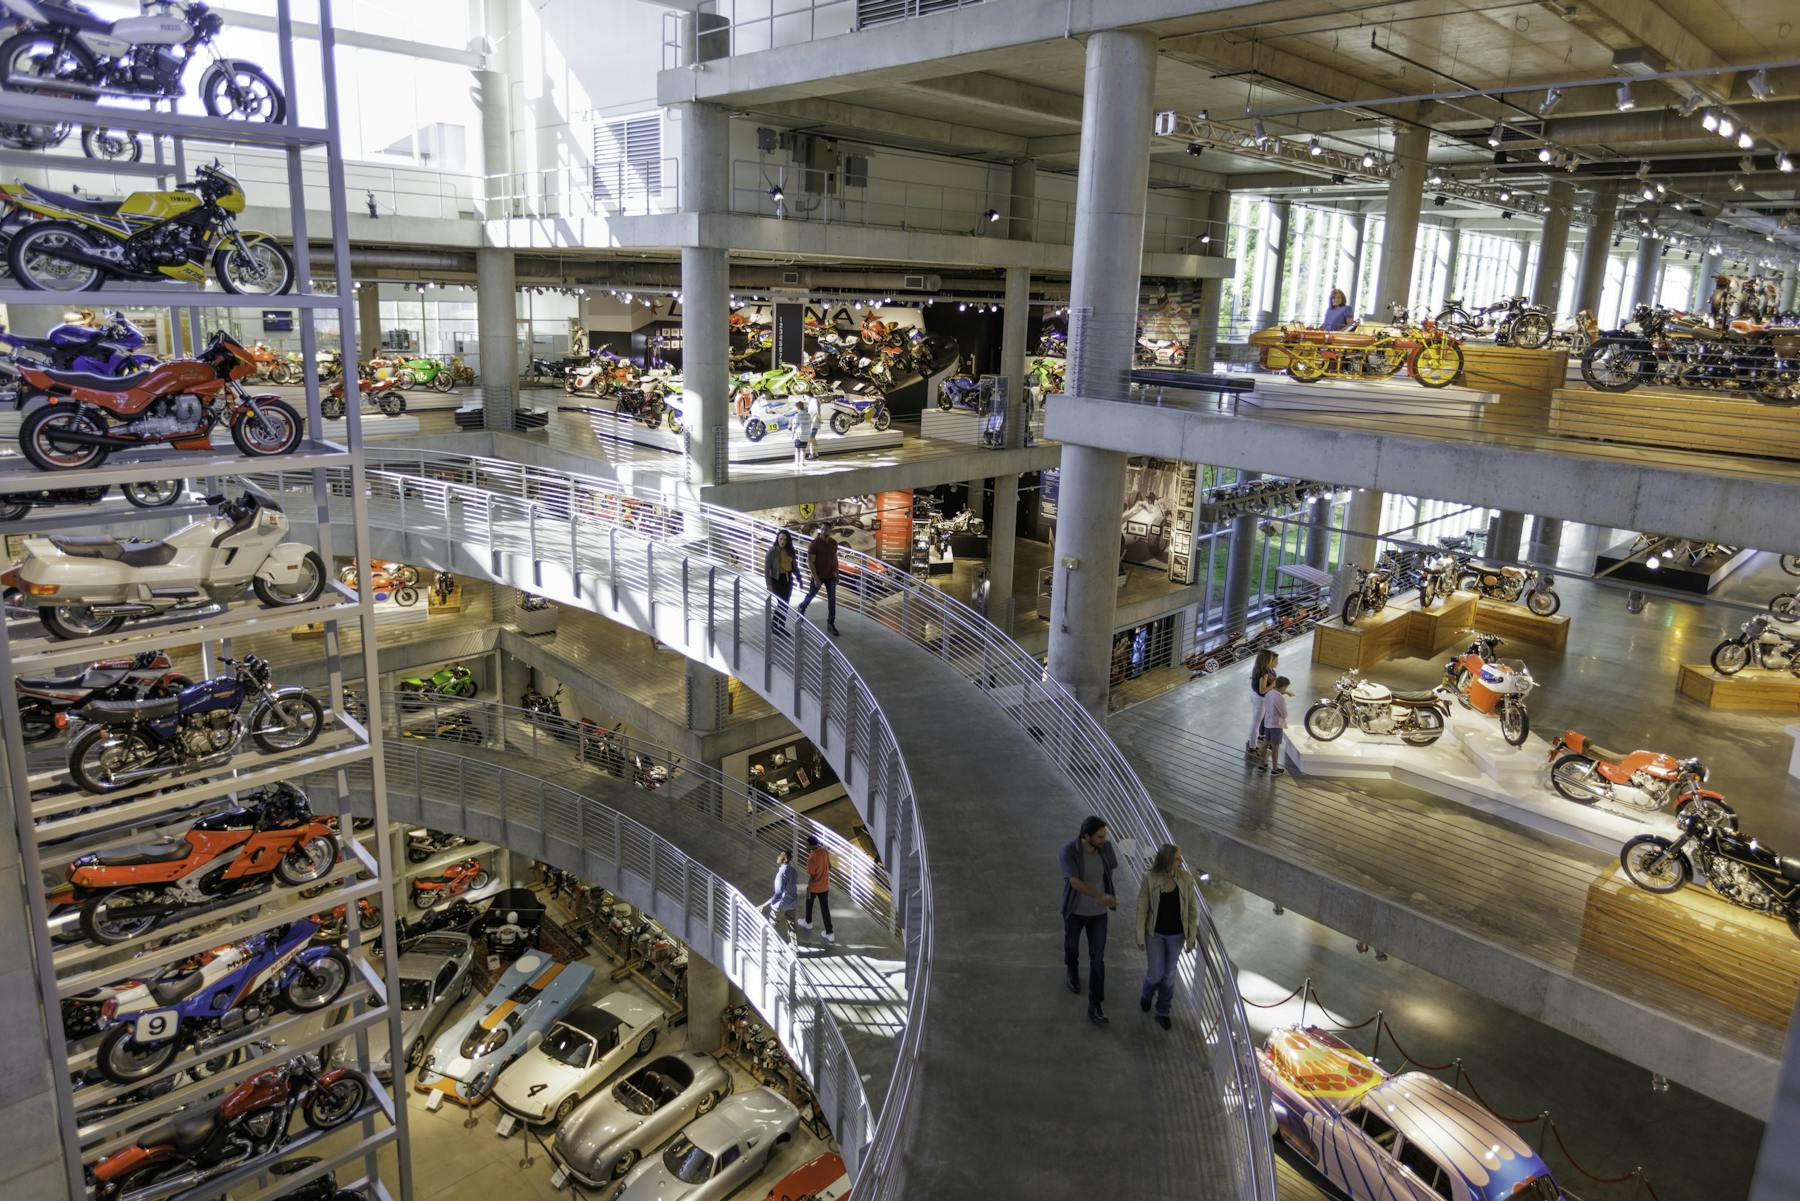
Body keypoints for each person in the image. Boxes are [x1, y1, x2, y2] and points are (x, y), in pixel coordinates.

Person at [1059, 815, 1118, 1027]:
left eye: (1105, 836)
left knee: (1097, 959)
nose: (1104, 840)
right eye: (1100, 836)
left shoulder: (1106, 848)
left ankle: (1095, 1005)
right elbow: (1074, 882)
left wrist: (1107, 892)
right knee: (1072, 947)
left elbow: (1110, 869)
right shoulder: (1069, 851)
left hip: (1098, 915)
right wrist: (1100, 896)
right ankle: (1072, 971)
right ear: (1086, 836)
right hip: (1075, 911)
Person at [1136, 843, 1198, 1031]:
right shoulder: (1150, 879)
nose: (1181, 861)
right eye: (1177, 859)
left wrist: (1191, 936)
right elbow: (1142, 908)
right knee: (1155, 974)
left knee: (1169, 976)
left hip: (1176, 936)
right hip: (1155, 933)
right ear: (1167, 861)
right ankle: (1147, 994)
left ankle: (1163, 1011)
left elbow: (1193, 910)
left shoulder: (1186, 880)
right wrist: (1140, 935)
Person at [797, 524, 841, 637]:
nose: (824, 531)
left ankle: (830, 623)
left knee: (832, 600)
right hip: (818, 576)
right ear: (820, 530)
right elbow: (810, 562)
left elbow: (835, 559)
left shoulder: (833, 543)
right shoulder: (814, 544)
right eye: (822, 529)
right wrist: (816, 578)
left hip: (830, 576)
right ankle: (802, 606)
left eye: (826, 529)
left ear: (830, 530)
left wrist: (837, 574)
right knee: (811, 595)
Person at [798, 835, 835, 942]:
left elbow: (812, 876)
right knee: (825, 909)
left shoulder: (811, 858)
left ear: (810, 845)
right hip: (825, 886)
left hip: (815, 887)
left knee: (809, 903)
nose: (806, 846)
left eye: (807, 844)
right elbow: (830, 867)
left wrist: (809, 888)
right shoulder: (824, 851)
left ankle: (808, 922)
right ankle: (830, 933)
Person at [764, 529, 797, 636]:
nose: (782, 541)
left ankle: (781, 625)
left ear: (788, 541)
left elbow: (794, 566)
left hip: (788, 579)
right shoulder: (772, 551)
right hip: (776, 580)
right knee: (782, 603)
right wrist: (768, 584)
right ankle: (774, 625)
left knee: (785, 604)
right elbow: (766, 568)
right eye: (781, 539)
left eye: (785, 540)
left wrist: (799, 578)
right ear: (777, 539)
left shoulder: (790, 551)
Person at [1247, 649, 1278, 757]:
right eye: (1272, 658)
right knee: (1255, 723)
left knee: (1256, 721)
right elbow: (1262, 690)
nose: (1275, 661)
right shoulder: (1264, 672)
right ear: (1267, 660)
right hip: (1260, 699)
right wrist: (1273, 685)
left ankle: (1252, 740)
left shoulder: (1260, 669)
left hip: (1256, 697)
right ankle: (1252, 746)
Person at [1259, 675, 1293, 775]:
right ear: (1283, 687)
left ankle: (1262, 764)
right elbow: (1284, 714)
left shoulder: (1269, 693)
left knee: (1265, 744)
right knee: (1275, 747)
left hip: (1268, 723)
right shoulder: (1279, 697)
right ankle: (1274, 769)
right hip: (1276, 725)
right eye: (1286, 687)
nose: (1286, 690)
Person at [764, 850, 798, 941]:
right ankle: (795, 948)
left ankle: (768, 942)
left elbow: (778, 893)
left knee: (771, 924)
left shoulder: (780, 874)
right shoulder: (794, 871)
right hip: (792, 902)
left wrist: (764, 905)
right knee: (792, 926)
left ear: (785, 859)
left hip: (780, 903)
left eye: (780, 856)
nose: (777, 856)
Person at [792, 398, 816, 469]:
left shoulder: (797, 415)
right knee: (803, 449)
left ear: (797, 407)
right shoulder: (808, 415)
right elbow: (810, 423)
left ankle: (797, 463)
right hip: (806, 435)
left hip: (799, 435)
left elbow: (795, 425)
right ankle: (802, 463)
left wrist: (793, 433)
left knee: (797, 449)